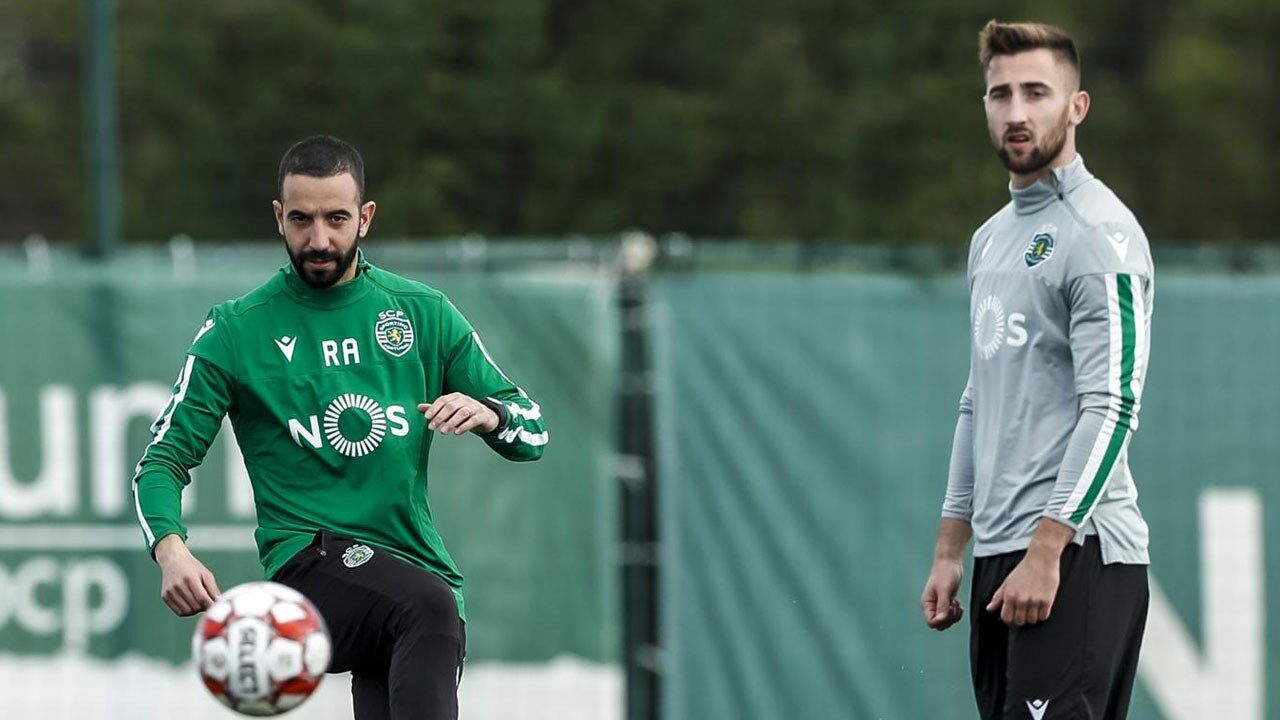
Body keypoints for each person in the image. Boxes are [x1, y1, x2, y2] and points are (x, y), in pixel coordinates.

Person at [132, 135, 549, 719]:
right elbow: (161, 460)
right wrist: (170, 549)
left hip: (416, 571)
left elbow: (533, 430)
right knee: (426, 608)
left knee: (429, 609)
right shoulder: (235, 330)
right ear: (278, 217)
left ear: (365, 218)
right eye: (301, 220)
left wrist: (492, 415)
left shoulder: (423, 313)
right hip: (309, 567)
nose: (319, 240)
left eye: (336, 218)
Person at [920, 21, 1152, 720]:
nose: (1016, 112)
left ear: (1077, 106)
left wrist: (1049, 548)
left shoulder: (1100, 234)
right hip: (1000, 555)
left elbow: (1112, 406)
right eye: (1001, 94)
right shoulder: (990, 239)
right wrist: (950, 550)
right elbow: (978, 401)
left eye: (1036, 92)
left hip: (1076, 552)